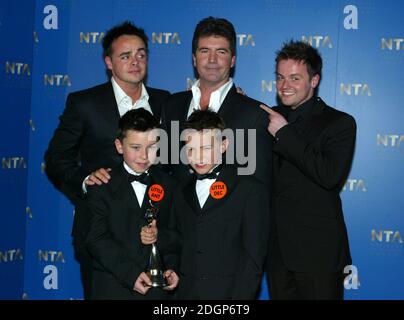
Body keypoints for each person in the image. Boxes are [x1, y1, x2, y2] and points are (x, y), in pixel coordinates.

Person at [44, 21, 170, 299]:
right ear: (109, 62)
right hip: (101, 236)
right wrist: (85, 179)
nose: (135, 62)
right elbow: (56, 158)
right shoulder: (84, 103)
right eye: (125, 56)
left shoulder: (165, 102)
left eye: (141, 54)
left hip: (155, 236)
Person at [260, 40, 356, 300]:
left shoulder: (339, 123)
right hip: (277, 254)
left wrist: (285, 133)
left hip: (319, 255)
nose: (284, 85)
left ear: (314, 80)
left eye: (294, 78)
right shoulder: (266, 117)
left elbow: (329, 175)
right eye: (280, 77)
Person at [147, 109, 269, 299]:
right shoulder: (181, 189)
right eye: (191, 150)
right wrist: (171, 269)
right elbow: (176, 239)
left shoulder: (248, 188)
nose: (198, 157)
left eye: (206, 148)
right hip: (187, 293)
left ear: (223, 145)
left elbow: (253, 255)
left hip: (230, 295)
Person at [161, 16, 272, 185]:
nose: (212, 60)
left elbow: (259, 184)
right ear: (194, 58)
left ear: (232, 60)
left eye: (221, 52)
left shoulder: (255, 114)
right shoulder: (172, 105)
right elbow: (163, 168)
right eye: (204, 51)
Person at [85, 108, 179, 299]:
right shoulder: (100, 184)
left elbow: (178, 235)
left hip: (157, 293)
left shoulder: (169, 184)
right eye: (135, 147)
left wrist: (171, 269)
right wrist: (130, 274)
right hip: (113, 287)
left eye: (152, 147)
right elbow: (95, 239)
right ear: (119, 146)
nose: (144, 156)